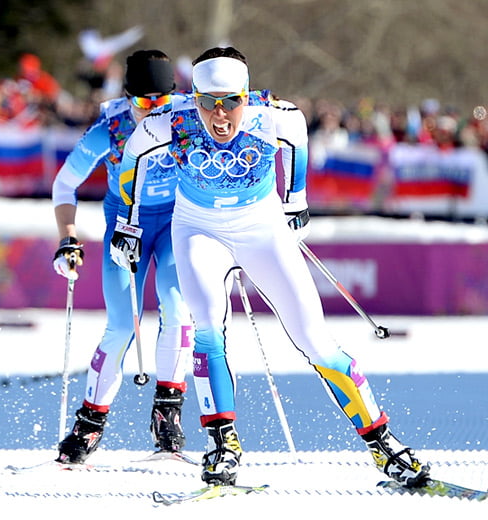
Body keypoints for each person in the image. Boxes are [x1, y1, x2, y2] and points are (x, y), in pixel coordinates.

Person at [114, 46, 430, 488]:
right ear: (195, 97)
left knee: (315, 340)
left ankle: (382, 442)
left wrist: (296, 199)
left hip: (260, 228)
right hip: (198, 230)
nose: (219, 117)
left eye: (231, 102)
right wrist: (127, 223)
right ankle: (222, 445)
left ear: (248, 96)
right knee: (205, 326)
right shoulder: (171, 122)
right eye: (208, 103)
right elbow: (132, 158)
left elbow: (298, 140)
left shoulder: (276, 116)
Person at [52, 49, 192, 464]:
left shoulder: (186, 119)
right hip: (125, 227)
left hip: (173, 224)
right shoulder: (109, 131)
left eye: (163, 102)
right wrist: (68, 239)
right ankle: (90, 422)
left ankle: (168, 412)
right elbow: (64, 186)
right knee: (121, 327)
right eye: (146, 102)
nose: (155, 112)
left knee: (176, 308)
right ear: (128, 95)